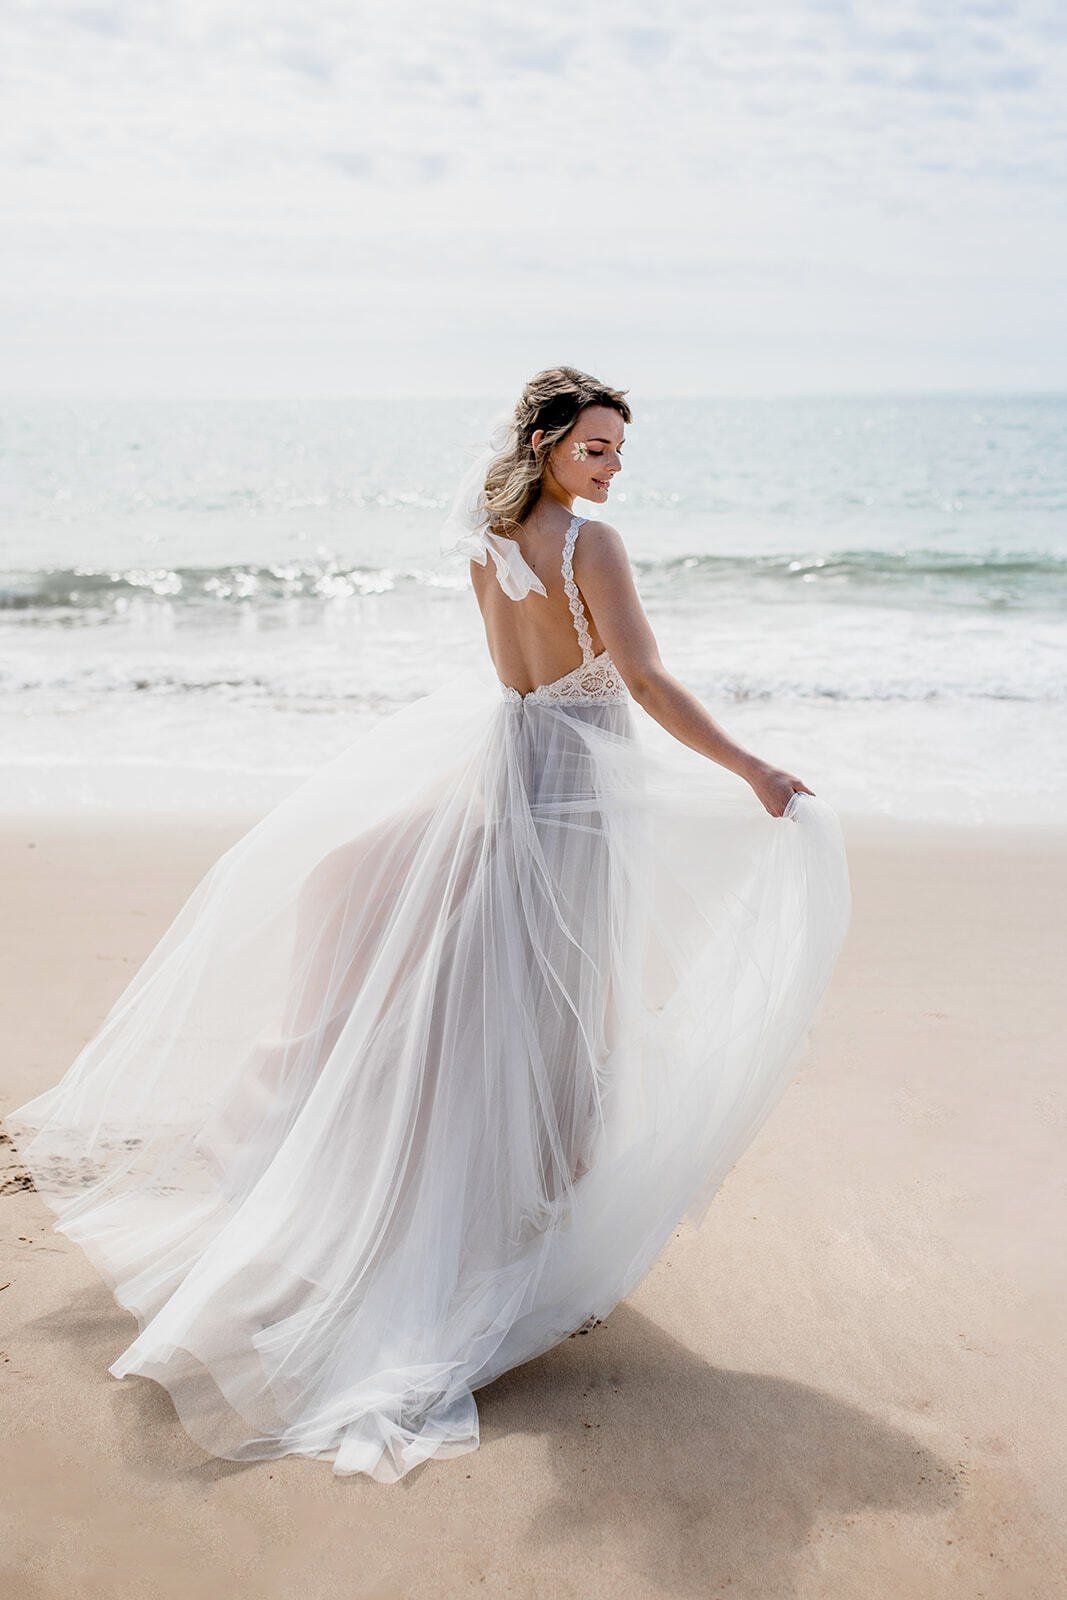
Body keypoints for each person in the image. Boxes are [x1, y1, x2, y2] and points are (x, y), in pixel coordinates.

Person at [4, 365, 852, 1484]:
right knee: (552, 1007)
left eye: (616, 455)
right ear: (546, 441)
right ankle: (511, 1242)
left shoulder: (487, 539)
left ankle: (477, 1215)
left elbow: (514, 684)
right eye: (593, 447)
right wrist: (749, 767)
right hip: (576, 796)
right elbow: (637, 680)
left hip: (513, 774)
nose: (605, 470)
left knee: (496, 992)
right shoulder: (588, 545)